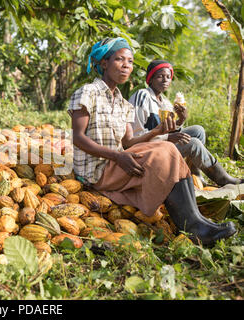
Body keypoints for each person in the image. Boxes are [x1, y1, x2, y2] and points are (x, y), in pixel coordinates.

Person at [68, 37, 236, 246]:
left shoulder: (122, 102)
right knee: (162, 153)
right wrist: (117, 156)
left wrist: (157, 131)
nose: (126, 65)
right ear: (104, 63)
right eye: (120, 60)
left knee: (167, 148)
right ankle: (194, 226)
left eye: (129, 62)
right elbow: (78, 138)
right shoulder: (87, 92)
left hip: (118, 160)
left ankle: (198, 222)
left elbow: (128, 141)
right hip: (98, 169)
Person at [129, 60, 243, 187]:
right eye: (160, 76)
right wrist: (167, 137)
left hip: (161, 143)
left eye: (168, 77)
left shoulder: (165, 102)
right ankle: (224, 179)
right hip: (147, 152)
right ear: (150, 79)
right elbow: (137, 134)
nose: (165, 80)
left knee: (198, 130)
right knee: (193, 143)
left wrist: (180, 120)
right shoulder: (143, 95)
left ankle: (196, 176)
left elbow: (169, 131)